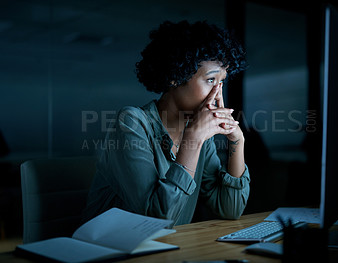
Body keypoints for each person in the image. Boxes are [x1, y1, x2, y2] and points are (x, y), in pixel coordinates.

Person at [82, 20, 250, 226]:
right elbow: (157, 217)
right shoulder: (131, 122)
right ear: (175, 77)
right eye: (210, 80)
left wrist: (237, 141)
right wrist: (193, 139)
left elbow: (230, 209)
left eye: (221, 82)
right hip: (112, 251)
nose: (217, 94)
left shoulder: (198, 135)